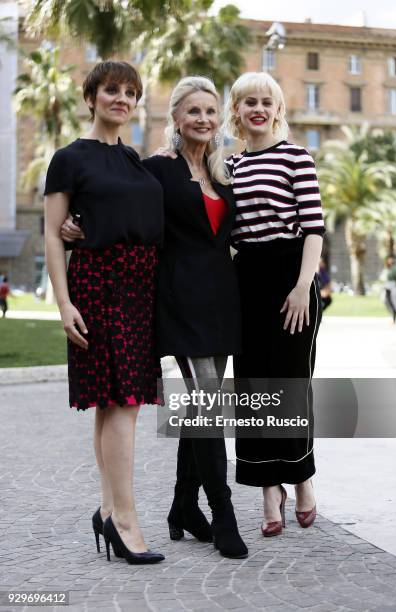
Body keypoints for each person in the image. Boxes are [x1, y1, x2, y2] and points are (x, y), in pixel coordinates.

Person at [61, 76, 248, 559]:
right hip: (178, 299)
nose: (203, 120)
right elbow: (112, 198)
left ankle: (183, 506)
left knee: (201, 405)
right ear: (176, 119)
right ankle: (224, 514)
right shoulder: (154, 171)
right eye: (193, 112)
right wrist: (74, 224)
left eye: (211, 111)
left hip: (222, 300)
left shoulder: (223, 173)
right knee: (206, 406)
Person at [44, 61, 165, 565]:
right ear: (91, 98)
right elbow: (53, 232)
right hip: (99, 283)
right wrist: (63, 302)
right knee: (122, 401)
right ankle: (125, 519)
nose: (122, 98)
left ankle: (109, 509)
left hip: (142, 285)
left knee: (115, 403)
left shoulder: (136, 159)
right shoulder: (69, 158)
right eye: (112, 90)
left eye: (131, 92)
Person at [223, 72, 325, 535]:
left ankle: (301, 477)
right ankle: (269, 489)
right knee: (253, 388)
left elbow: (313, 230)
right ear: (237, 112)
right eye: (249, 102)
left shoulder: (296, 157)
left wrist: (304, 286)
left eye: (266, 101)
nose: (258, 109)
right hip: (246, 280)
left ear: (278, 109)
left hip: (292, 278)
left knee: (290, 382)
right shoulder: (231, 168)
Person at [380, 255, 396, 324]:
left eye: (391, 259)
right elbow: (383, 277)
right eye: (389, 259)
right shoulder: (386, 268)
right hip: (386, 286)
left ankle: (394, 318)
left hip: (392, 287)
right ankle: (393, 315)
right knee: (386, 301)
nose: (390, 261)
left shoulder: (395, 269)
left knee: (392, 302)